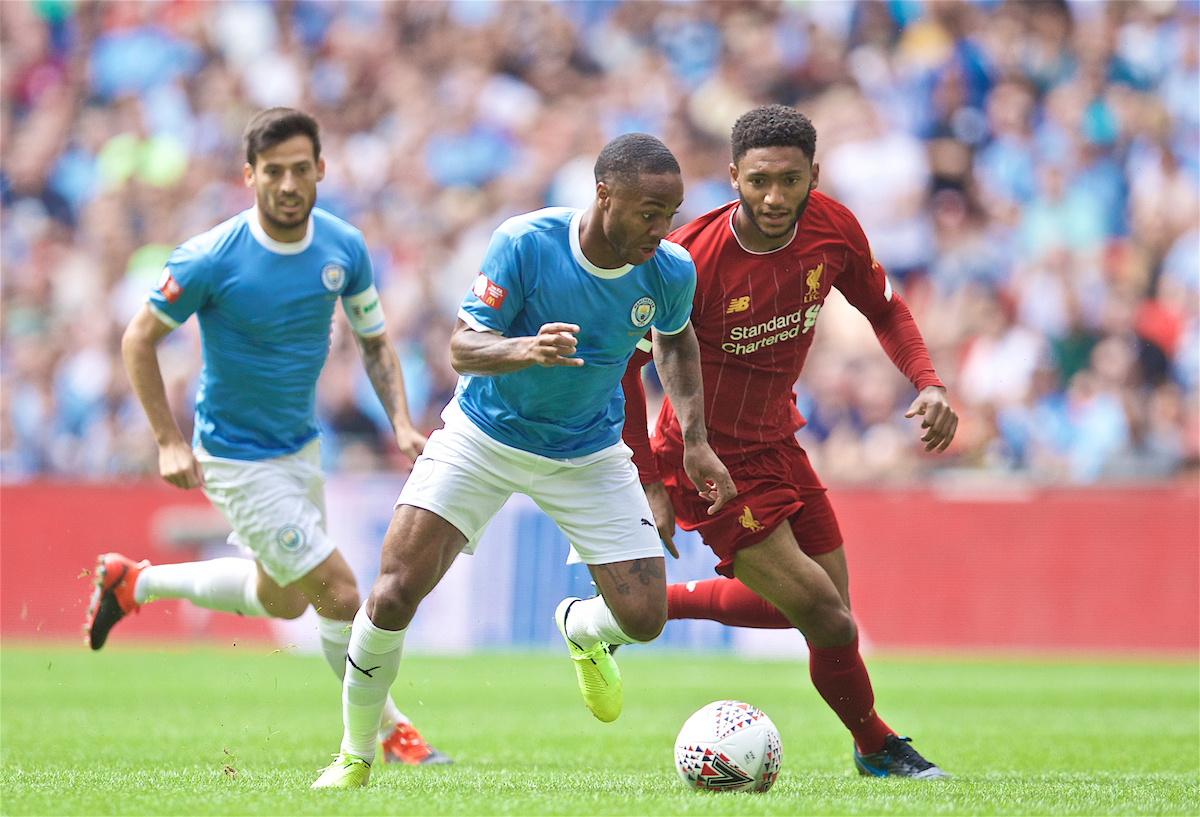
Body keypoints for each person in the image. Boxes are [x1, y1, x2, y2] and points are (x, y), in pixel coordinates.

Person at [310, 132, 736, 788]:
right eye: (649, 212)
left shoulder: (670, 270)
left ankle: (581, 627)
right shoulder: (527, 242)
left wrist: (696, 438)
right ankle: (355, 753)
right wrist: (524, 350)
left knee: (645, 619)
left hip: (589, 450)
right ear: (603, 195)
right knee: (394, 590)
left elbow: (675, 343)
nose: (662, 227)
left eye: (671, 213)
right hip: (484, 436)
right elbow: (463, 345)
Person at [83, 107, 450, 767]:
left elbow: (373, 341)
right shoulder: (210, 256)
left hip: (299, 449)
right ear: (248, 175)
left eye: (300, 169)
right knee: (340, 592)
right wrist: (168, 439)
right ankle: (387, 734)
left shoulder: (343, 247)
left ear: (320, 171)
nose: (287, 183)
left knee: (279, 594)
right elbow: (138, 338)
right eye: (273, 171)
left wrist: (398, 418)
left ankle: (132, 584)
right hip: (234, 457)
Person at [621, 105, 958, 780]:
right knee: (830, 622)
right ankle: (877, 747)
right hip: (705, 460)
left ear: (815, 176)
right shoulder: (688, 262)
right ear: (734, 177)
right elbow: (625, 369)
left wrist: (928, 380)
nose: (775, 196)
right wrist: (653, 482)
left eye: (791, 180)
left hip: (780, 441)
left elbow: (885, 306)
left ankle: (655, 604)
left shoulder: (833, 228)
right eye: (760, 180)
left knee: (827, 613)